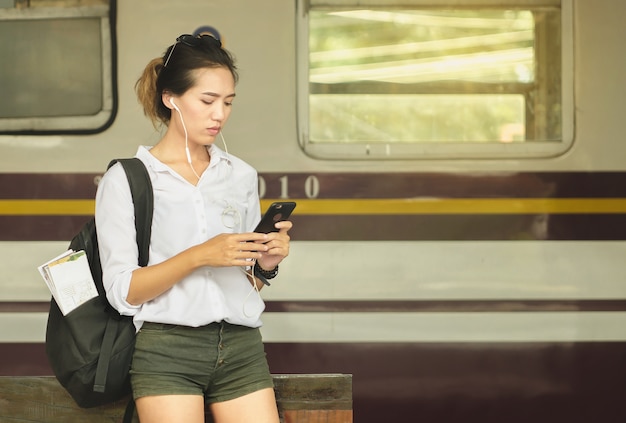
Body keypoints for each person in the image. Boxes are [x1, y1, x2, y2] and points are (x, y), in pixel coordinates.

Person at [95, 33, 292, 423]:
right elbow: (122, 292)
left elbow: (245, 282)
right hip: (166, 347)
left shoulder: (241, 176)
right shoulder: (128, 178)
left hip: (241, 346)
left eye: (228, 102)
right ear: (171, 98)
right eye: (207, 101)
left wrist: (266, 264)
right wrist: (201, 255)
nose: (219, 114)